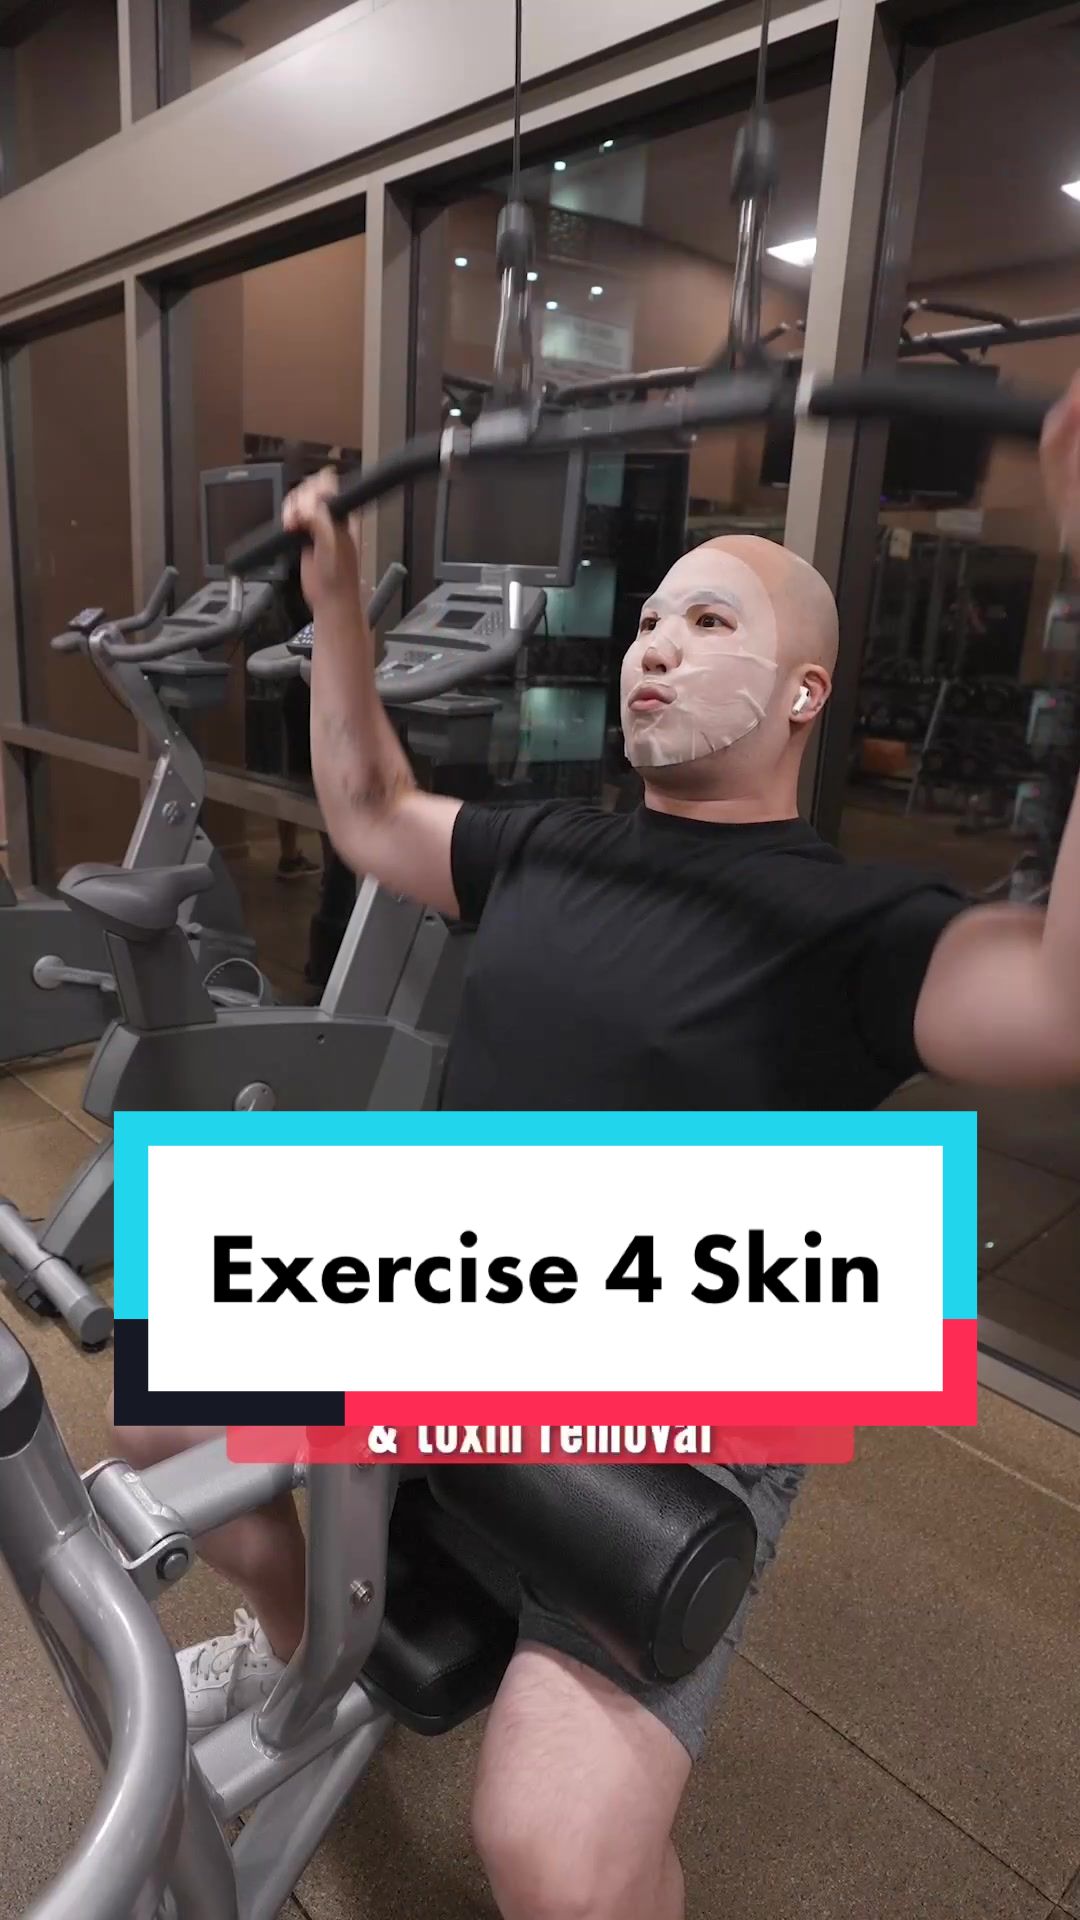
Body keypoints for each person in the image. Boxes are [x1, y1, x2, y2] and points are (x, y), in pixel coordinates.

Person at [112, 379, 1080, 1920]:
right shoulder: (549, 843)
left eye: (707, 622)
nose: (654, 649)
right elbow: (367, 810)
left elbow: (1058, 1001)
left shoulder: (858, 927)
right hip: (459, 1294)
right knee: (160, 1409)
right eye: (648, 624)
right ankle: (303, 1654)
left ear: (807, 691)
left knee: (555, 1855)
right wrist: (338, 609)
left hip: (672, 1395)